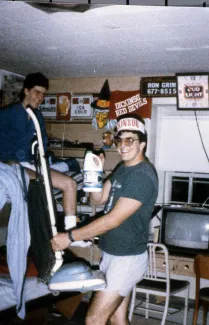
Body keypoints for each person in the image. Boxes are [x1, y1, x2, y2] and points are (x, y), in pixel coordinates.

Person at [51, 113, 159, 325]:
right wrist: (95, 173)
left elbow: (112, 220)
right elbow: (97, 200)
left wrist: (70, 236)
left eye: (130, 140)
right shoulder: (122, 169)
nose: (123, 145)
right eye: (120, 140)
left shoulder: (142, 176)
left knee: (93, 320)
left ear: (143, 144)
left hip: (126, 260)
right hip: (112, 254)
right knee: (118, 319)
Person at [0, 72, 77, 224]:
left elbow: (42, 143)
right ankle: (42, 228)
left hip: (31, 163)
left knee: (70, 183)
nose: (40, 97)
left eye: (43, 94)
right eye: (37, 92)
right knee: (41, 186)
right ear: (26, 91)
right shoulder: (6, 114)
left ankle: (71, 232)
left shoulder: (38, 116)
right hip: (11, 164)